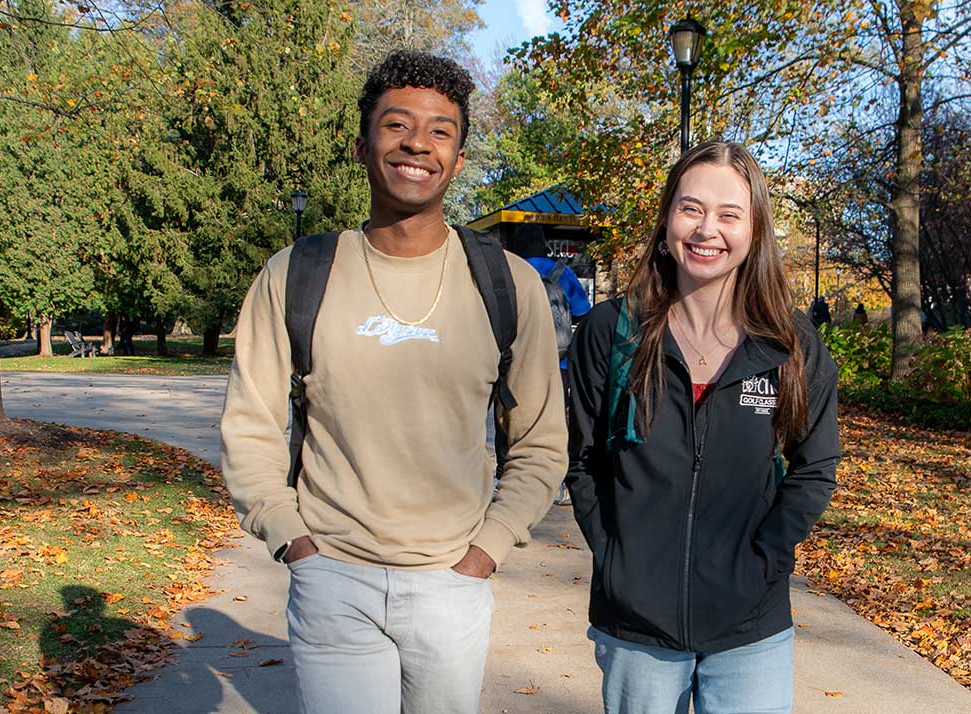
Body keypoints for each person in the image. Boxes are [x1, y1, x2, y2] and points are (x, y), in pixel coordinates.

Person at [220, 50, 568, 714]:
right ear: (362, 145)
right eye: (397, 125)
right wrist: (294, 540)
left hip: (450, 584)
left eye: (441, 130)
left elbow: (542, 441)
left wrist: (486, 551)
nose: (418, 143)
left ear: (458, 158)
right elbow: (250, 425)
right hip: (332, 580)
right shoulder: (296, 275)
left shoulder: (507, 285)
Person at [566, 141, 839, 714]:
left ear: (754, 230)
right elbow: (583, 459)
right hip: (635, 626)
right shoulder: (611, 332)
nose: (706, 229)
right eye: (691, 209)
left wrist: (766, 559)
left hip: (751, 627)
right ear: (667, 219)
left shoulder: (789, 344)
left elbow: (815, 466)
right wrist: (617, 558)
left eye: (728, 214)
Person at [505, 223, 590, 504]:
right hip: (559, 362)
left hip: (512, 359)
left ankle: (506, 481)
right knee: (555, 420)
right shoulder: (561, 273)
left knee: (509, 417)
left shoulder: (508, 269)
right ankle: (555, 484)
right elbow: (582, 312)